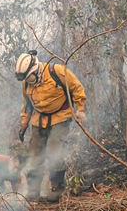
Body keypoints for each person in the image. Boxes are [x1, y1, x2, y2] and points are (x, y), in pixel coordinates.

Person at [15, 50, 87, 201]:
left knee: (54, 153)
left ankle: (56, 188)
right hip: (38, 120)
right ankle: (33, 190)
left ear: (35, 69)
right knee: (35, 156)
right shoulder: (26, 85)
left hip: (60, 117)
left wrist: (80, 109)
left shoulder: (57, 71)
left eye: (29, 77)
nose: (28, 80)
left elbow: (77, 88)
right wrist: (23, 124)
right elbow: (27, 106)